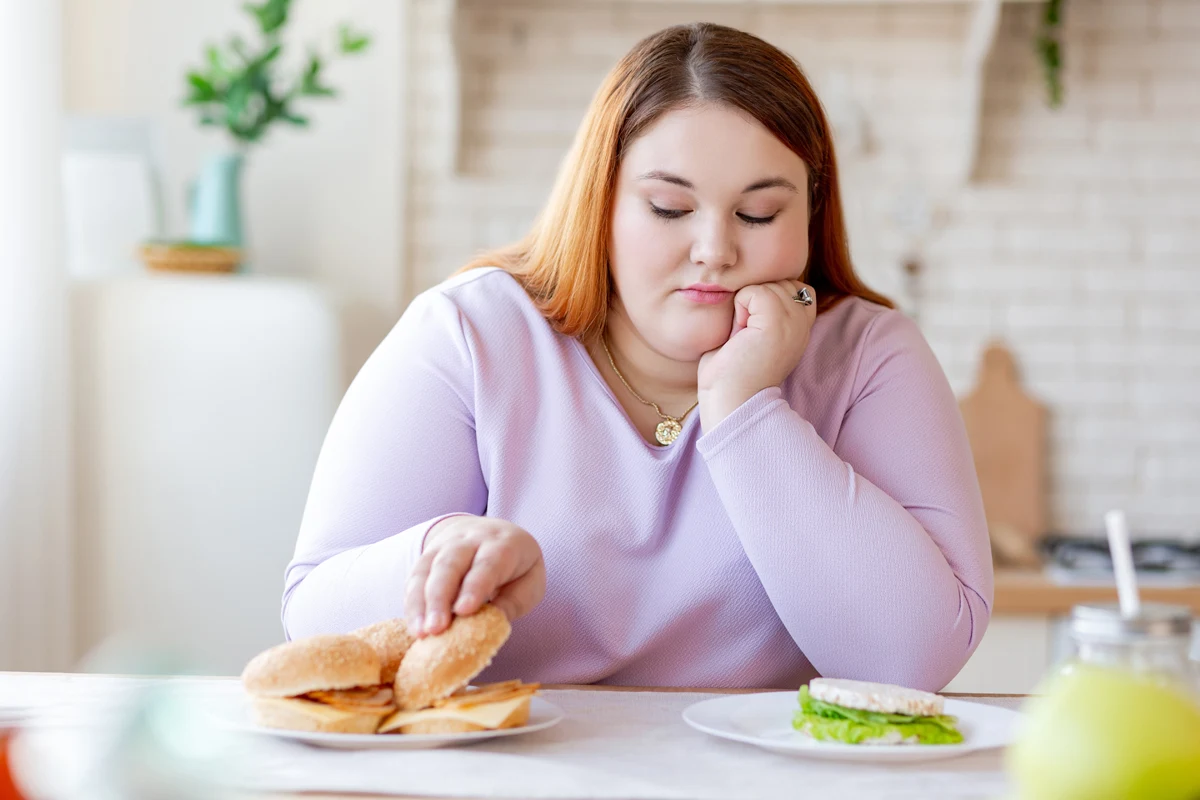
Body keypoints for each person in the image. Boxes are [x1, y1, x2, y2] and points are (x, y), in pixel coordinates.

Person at [281, 22, 993, 691]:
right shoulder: (469, 334)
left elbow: (913, 661)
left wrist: (747, 406)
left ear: (810, 215)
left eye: (758, 214)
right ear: (603, 205)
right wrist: (444, 549)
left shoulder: (871, 356)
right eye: (669, 208)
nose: (715, 249)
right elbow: (312, 614)